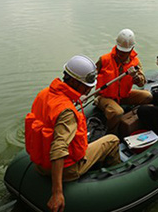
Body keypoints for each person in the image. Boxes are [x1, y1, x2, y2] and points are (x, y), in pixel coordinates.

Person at [25, 55, 120, 212]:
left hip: (40, 164)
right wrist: (57, 192)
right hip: (67, 169)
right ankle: (116, 176)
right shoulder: (66, 111)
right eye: (86, 86)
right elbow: (59, 148)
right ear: (74, 82)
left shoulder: (44, 94)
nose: (89, 89)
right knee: (112, 140)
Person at [95, 29, 152, 133]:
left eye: (124, 52)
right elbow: (90, 77)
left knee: (148, 96)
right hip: (104, 96)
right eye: (119, 50)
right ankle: (112, 134)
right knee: (117, 112)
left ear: (131, 49)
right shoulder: (104, 60)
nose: (121, 54)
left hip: (124, 96)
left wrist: (137, 78)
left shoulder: (135, 62)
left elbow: (141, 82)